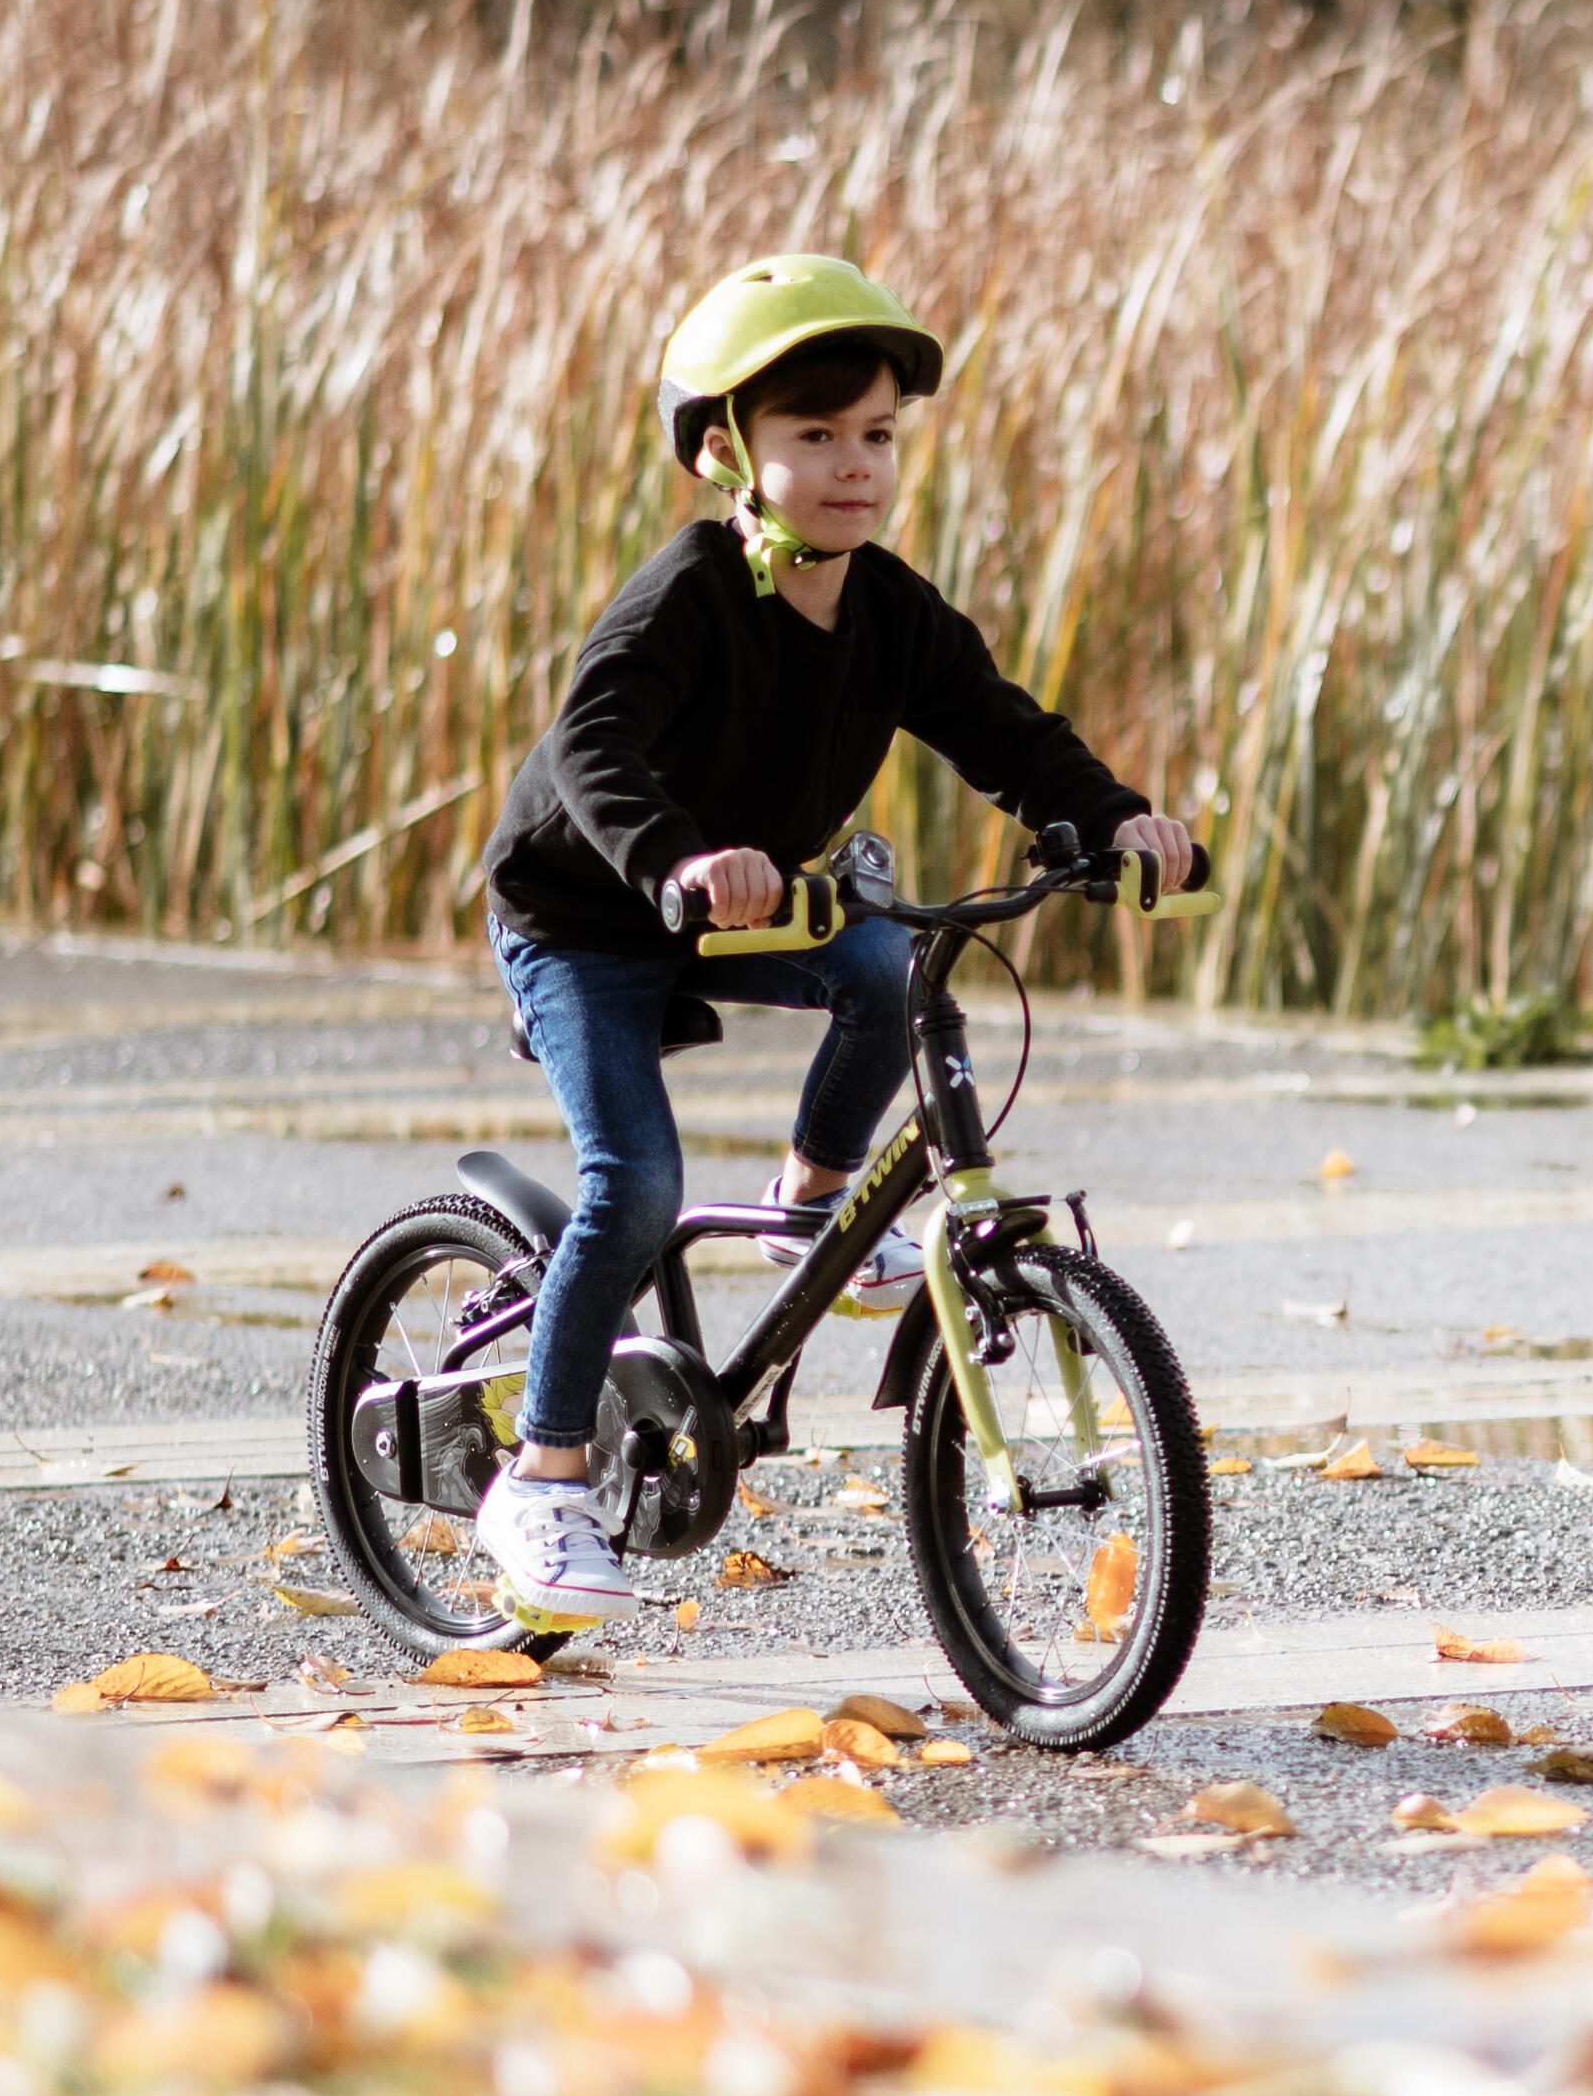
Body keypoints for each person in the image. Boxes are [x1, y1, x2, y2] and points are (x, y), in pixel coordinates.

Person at [468, 253, 1199, 1630]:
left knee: (885, 970)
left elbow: (1003, 728)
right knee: (630, 1183)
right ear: (727, 451)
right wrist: (680, 857)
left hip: (735, 908)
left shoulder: (888, 608)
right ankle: (545, 1476)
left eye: (878, 435)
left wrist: (1113, 822)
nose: (856, 464)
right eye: (815, 435)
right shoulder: (688, 591)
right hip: (586, 917)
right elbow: (592, 747)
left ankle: (810, 1203)